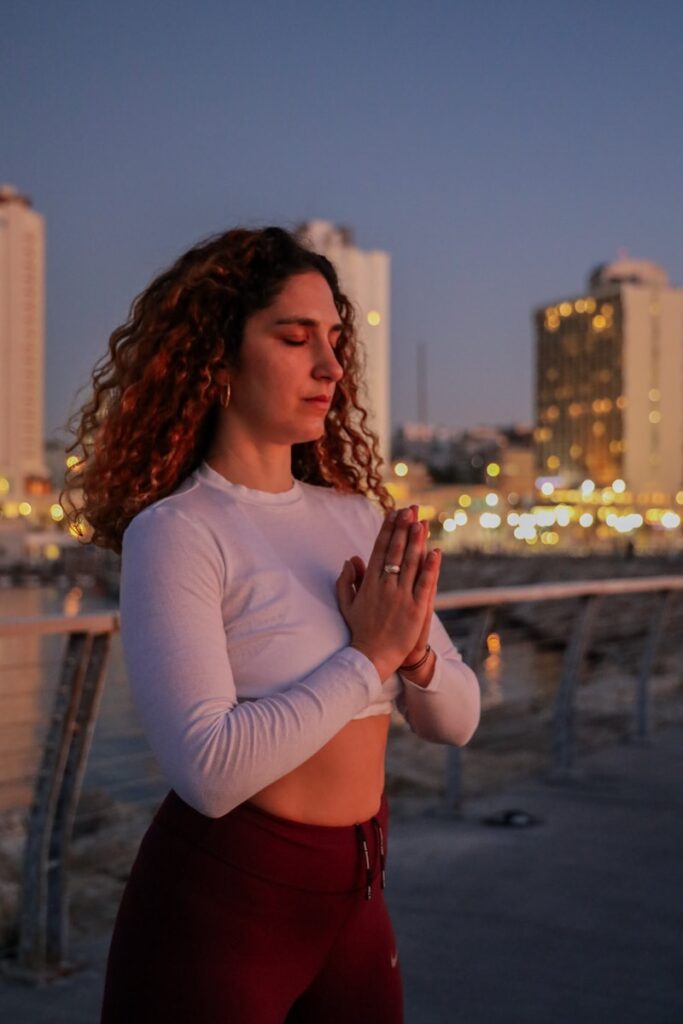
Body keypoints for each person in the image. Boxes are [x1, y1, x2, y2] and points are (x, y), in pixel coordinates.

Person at [63, 225, 481, 1023]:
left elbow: (456, 722)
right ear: (214, 360)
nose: (329, 365)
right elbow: (209, 772)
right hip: (221, 916)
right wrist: (370, 657)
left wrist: (416, 652)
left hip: (357, 906)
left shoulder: (359, 518)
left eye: (334, 340)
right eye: (295, 338)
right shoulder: (179, 530)